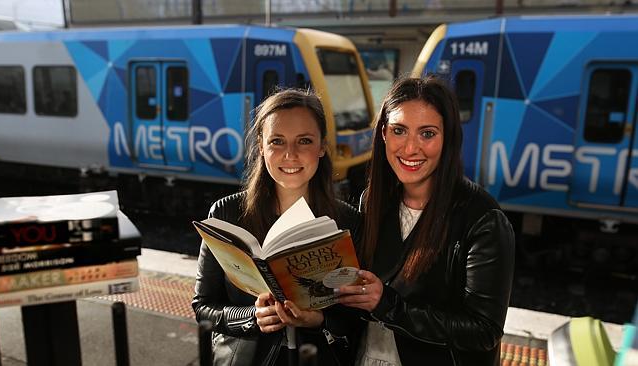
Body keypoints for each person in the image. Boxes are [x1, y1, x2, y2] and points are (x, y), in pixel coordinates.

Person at [336, 75, 515, 365]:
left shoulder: (483, 219)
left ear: (449, 138)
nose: (410, 149)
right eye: (399, 131)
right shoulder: (373, 199)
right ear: (383, 134)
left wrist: (389, 306)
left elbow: (484, 331)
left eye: (427, 134)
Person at [192, 89, 361, 366]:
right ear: (261, 146)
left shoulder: (348, 221)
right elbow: (203, 307)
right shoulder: (225, 214)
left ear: (322, 146)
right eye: (277, 141)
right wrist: (251, 317)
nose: (290, 155)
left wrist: (319, 319)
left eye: (304, 141)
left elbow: (360, 317)